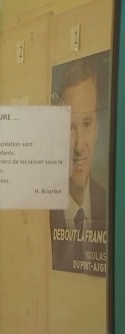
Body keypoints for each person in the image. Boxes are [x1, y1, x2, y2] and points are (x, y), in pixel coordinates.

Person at [49, 57, 108, 276]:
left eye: (87, 124)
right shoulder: (44, 209)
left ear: (97, 129)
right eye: (70, 127)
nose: (79, 146)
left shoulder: (109, 203)